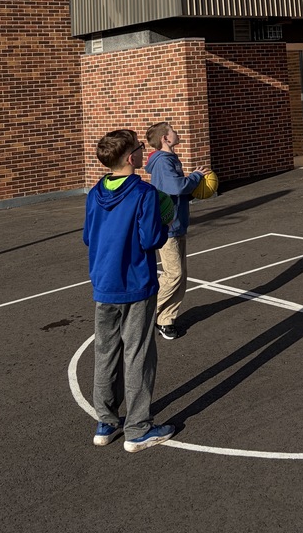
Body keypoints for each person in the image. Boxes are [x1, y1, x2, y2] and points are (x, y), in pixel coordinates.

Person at [83, 129, 176, 453]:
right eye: (138, 147)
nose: (140, 151)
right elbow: (152, 240)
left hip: (104, 283)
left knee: (105, 352)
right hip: (136, 284)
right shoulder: (144, 194)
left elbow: (87, 237)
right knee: (137, 353)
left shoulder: (95, 193)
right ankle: (138, 429)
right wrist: (167, 220)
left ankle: (106, 422)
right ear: (129, 158)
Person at [145, 121, 208, 340]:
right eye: (172, 130)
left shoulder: (170, 158)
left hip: (178, 223)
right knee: (174, 274)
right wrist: (196, 178)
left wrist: (192, 191)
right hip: (169, 226)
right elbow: (176, 186)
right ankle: (145, 308)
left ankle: (165, 319)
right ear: (165, 138)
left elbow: (174, 191)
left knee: (180, 276)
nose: (176, 132)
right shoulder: (163, 162)